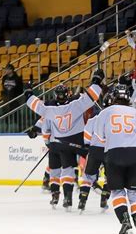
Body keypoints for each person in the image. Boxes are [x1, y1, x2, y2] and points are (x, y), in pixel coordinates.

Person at [24, 70, 104, 209]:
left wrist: (28, 92)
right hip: (79, 141)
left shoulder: (50, 109)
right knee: (94, 159)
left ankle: (67, 198)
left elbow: (34, 105)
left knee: (67, 169)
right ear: (68, 94)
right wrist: (96, 80)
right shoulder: (76, 104)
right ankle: (91, 182)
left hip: (61, 143)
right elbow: (93, 95)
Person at [93, 84, 136, 234]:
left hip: (114, 155)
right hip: (135, 154)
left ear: (113, 97)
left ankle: (125, 222)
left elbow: (99, 137)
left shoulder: (104, 113)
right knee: (134, 192)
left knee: (117, 191)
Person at [79, 93, 114, 213]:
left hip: (95, 150)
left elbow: (87, 138)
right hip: (110, 150)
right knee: (110, 176)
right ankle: (104, 198)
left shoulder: (94, 118)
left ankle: (82, 200)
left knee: (88, 176)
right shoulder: (117, 118)